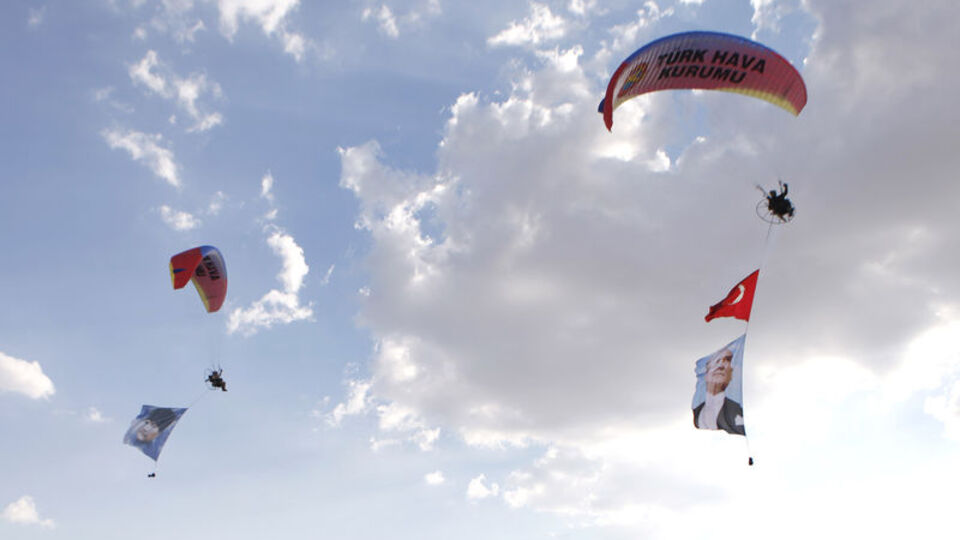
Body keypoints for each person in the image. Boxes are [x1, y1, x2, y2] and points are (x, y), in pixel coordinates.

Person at [692, 348, 746, 435]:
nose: (721, 365)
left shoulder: (737, 411)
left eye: (727, 360)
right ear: (706, 374)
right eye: (716, 361)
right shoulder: (698, 411)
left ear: (731, 375)